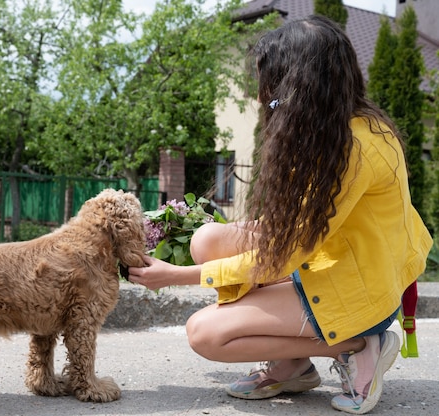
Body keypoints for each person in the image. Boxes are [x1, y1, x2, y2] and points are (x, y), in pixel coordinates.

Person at [128, 14, 432, 415]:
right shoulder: (333, 128)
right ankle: (293, 363)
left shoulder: (355, 150)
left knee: (205, 334)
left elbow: (285, 255)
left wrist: (175, 277)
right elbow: (302, 230)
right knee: (206, 240)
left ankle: (359, 344)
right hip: (330, 260)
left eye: (273, 86)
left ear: (302, 84)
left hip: (360, 290)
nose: (263, 98)